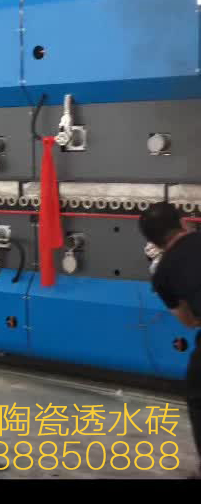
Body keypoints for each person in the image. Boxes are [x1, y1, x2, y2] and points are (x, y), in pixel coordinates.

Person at [139, 202, 201, 478]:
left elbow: (189, 321)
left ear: (152, 242)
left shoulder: (163, 273)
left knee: (198, 396)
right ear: (184, 222)